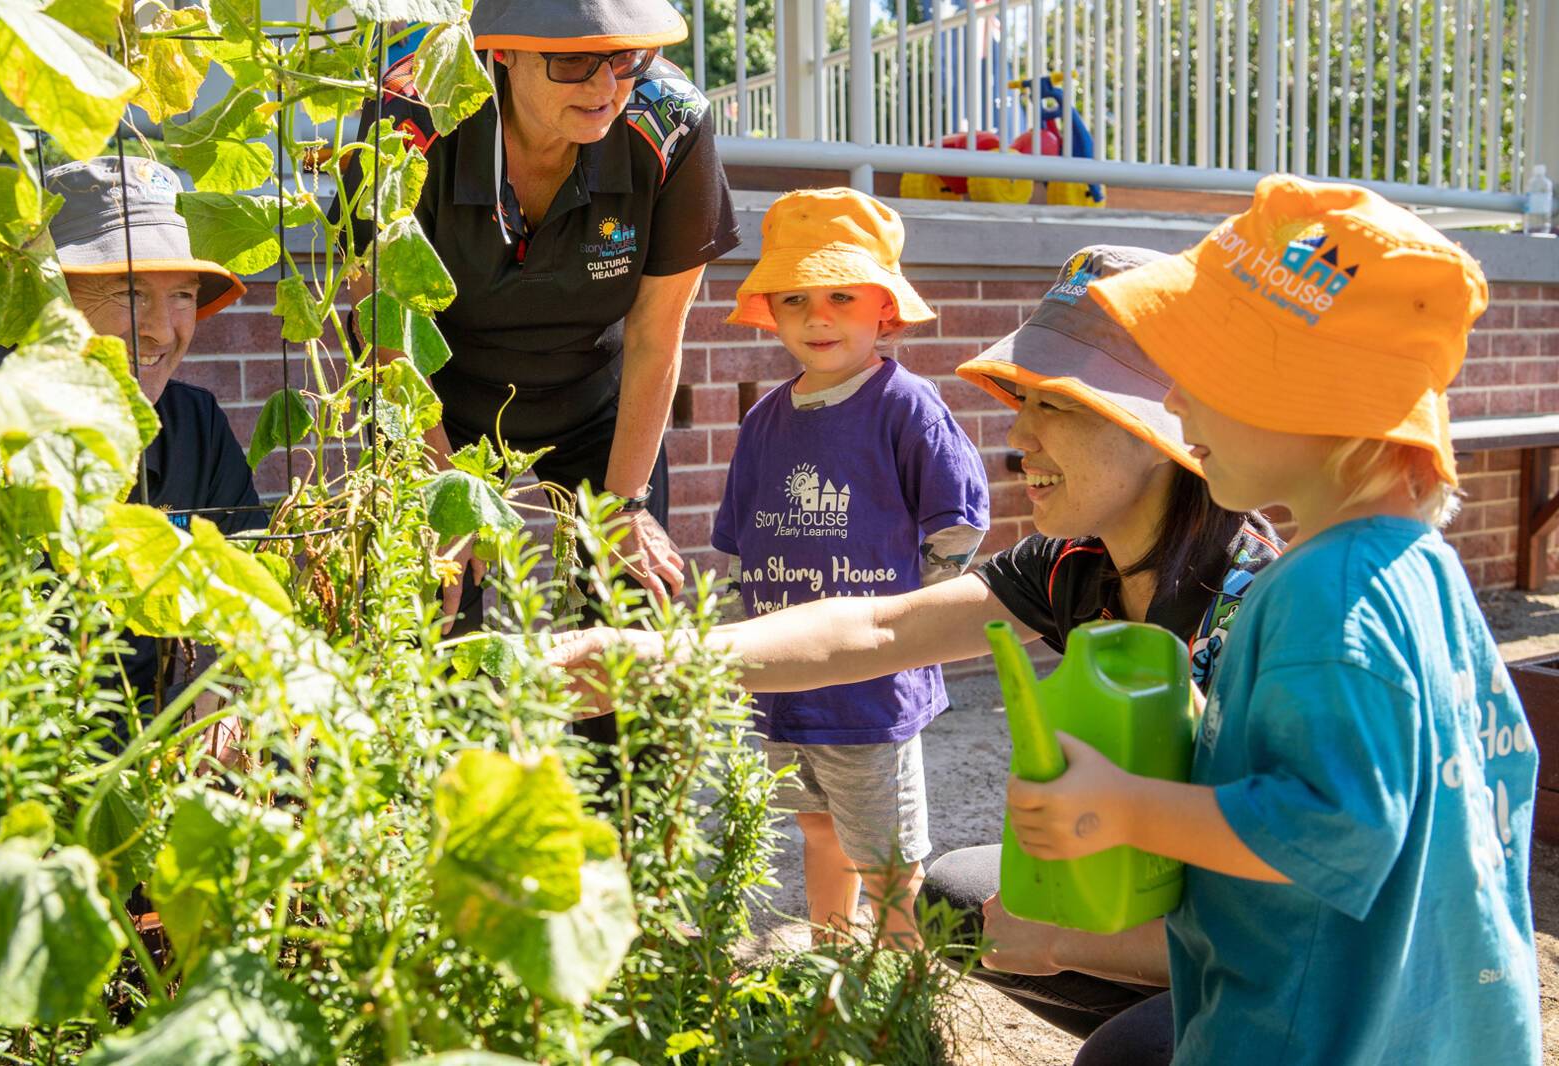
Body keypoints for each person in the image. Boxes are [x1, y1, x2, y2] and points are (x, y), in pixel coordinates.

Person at [550, 246, 1280, 993]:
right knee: (957, 898)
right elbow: (880, 630)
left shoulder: (1260, 606)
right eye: (1020, 402)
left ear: (1163, 425)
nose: (1018, 440)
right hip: (1164, 891)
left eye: (1053, 404)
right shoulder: (1072, 562)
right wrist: (657, 656)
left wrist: (1065, 943)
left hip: (1272, 965)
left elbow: (1292, 901)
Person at [1008, 174, 1540, 1064]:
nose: (1172, 404)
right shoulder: (1427, 576)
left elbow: (1335, 827)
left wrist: (1124, 809)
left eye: (1203, 372)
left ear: (1313, 397)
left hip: (1310, 1035)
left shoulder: (1320, 592)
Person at [344, 0, 739, 614]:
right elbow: (382, 327)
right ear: (500, 50)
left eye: (624, 58)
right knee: (427, 614)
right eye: (574, 59)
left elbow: (657, 333)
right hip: (438, 398)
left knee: (628, 612)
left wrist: (626, 506)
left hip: (596, 401)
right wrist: (440, 482)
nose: (606, 86)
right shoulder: (409, 113)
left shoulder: (673, 121)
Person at [711, 188, 989, 946]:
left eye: (840, 294)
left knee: (887, 850)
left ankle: (901, 982)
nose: (817, 316)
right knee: (815, 824)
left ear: (885, 309)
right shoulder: (765, 419)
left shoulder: (905, 406)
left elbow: (959, 525)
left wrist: (914, 628)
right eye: (795, 298)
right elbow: (739, 541)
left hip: (869, 683)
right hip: (786, 678)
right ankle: (832, 956)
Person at [0, 156, 261, 714]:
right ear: (48, 295)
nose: (161, 329)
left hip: (149, 747)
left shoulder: (196, 424)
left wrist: (223, 702)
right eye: (129, 294)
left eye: (182, 295)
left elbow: (253, 594)